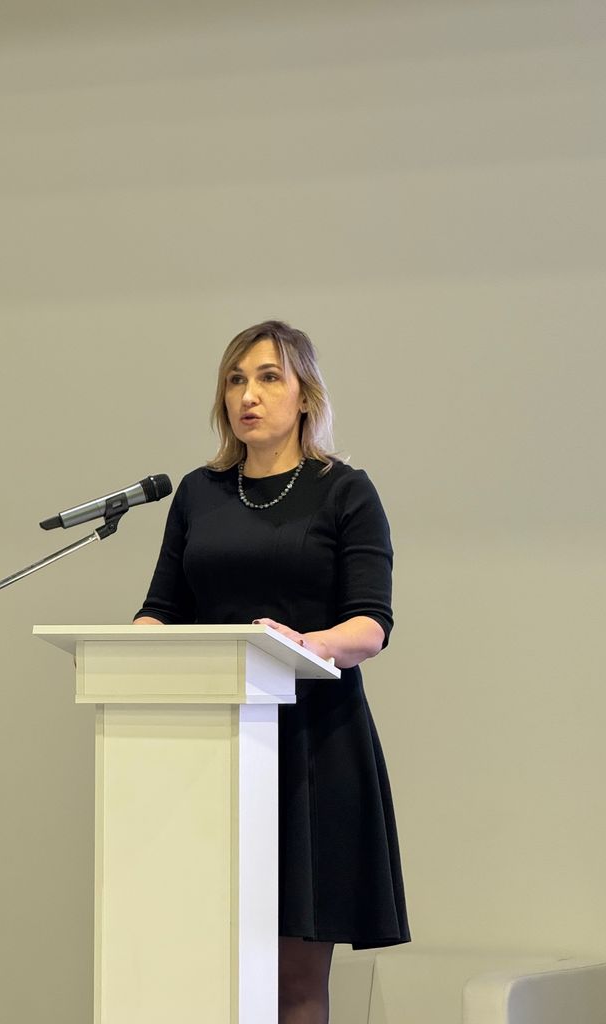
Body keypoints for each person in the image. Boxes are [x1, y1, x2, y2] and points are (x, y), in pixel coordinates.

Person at [134, 320, 409, 1024]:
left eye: (267, 378)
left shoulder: (344, 491)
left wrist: (303, 643)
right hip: (207, 748)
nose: (247, 395)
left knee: (293, 982)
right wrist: (130, 648)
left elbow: (370, 625)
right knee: (199, 969)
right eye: (235, 380)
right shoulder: (198, 493)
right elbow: (162, 610)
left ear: (305, 395)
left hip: (312, 747)